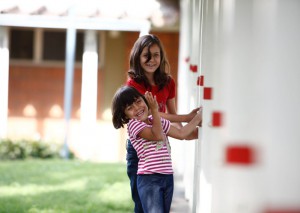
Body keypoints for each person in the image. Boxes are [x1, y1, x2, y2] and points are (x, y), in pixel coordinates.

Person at [125, 34, 201, 213]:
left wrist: (186, 132)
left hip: (160, 149)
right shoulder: (133, 84)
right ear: (138, 57)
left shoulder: (168, 82)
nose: (152, 60)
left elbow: (171, 115)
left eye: (156, 55)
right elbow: (153, 114)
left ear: (162, 56)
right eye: (146, 56)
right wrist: (187, 118)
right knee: (142, 204)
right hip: (140, 151)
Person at [112, 86, 202, 213]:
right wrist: (154, 109)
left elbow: (182, 134)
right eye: (130, 108)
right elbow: (158, 135)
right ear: (125, 115)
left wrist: (199, 120)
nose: (137, 108)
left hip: (167, 177)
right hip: (149, 179)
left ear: (144, 100)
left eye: (138, 102)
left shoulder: (157, 121)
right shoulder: (134, 125)